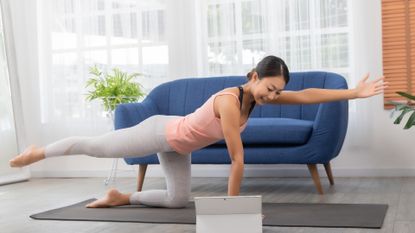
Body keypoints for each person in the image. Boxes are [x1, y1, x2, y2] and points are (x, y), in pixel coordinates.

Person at [9, 55, 388, 209]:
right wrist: (231, 209)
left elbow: (306, 93)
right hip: (158, 134)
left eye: (277, 90)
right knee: (94, 146)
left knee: (177, 201)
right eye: (269, 87)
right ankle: (39, 151)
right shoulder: (228, 101)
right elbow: (237, 158)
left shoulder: (259, 99)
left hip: (178, 148)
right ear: (254, 77)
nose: (273, 96)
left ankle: (120, 197)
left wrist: (353, 92)